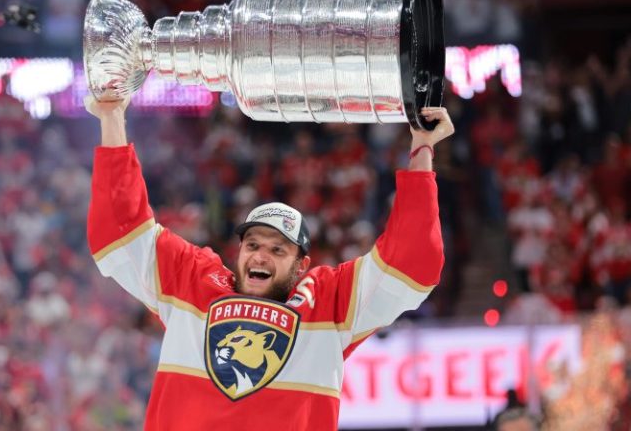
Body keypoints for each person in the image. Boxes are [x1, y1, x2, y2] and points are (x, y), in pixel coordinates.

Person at [85, 96, 454, 430]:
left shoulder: (329, 303)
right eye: (253, 245)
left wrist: (422, 147)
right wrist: (112, 117)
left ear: (301, 265)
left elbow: (411, 264)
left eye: (278, 250)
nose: (260, 255)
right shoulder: (192, 282)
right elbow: (120, 232)